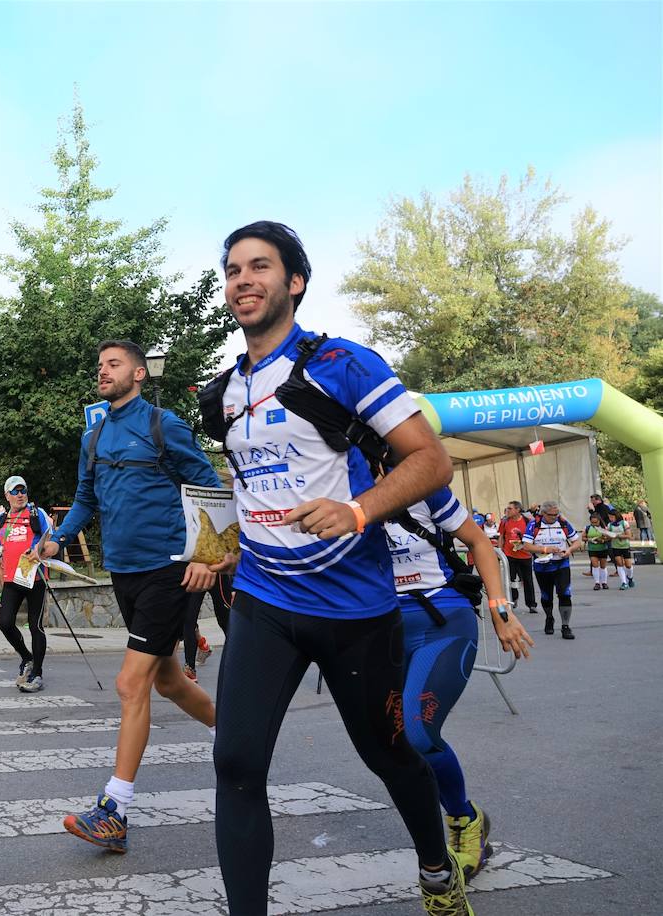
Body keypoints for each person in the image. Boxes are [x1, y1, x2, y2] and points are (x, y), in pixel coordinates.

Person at [197, 221, 472, 914]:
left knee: (389, 754)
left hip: (354, 609)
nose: (243, 281)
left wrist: (357, 510)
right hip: (264, 600)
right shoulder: (221, 393)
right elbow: (246, 487)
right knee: (234, 765)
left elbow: (429, 460)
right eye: (232, 270)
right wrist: (219, 547)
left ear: (294, 281)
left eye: (260, 267)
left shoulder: (343, 363)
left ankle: (438, 867)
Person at [38, 338, 221, 855]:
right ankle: (232, 735)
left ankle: (114, 809)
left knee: (130, 682)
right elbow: (84, 500)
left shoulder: (165, 426)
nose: (103, 371)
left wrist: (208, 556)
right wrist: (55, 537)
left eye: (113, 364)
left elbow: (207, 483)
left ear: (139, 374)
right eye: (100, 365)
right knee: (166, 680)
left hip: (167, 570)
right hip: (123, 571)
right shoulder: (94, 436)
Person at [386, 486, 534, 881]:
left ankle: (464, 821)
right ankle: (459, 821)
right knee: (393, 740)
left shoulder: (421, 485)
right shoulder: (333, 486)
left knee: (419, 733)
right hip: (382, 628)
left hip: (445, 621)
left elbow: (478, 541)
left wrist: (500, 609)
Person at [0, 476, 54, 690]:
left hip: (35, 578)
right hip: (11, 580)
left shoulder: (37, 514)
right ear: (7, 496)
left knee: (36, 626)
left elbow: (51, 541)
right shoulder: (1, 520)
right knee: (5, 623)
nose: (20, 494)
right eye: (15, 491)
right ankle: (27, 657)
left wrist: (40, 550)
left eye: (23, 490)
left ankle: (37, 674)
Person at [522, 499, 581, 639]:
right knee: (546, 595)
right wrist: (545, 549)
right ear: (543, 513)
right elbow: (526, 546)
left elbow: (577, 541)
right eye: (551, 515)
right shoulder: (534, 524)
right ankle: (549, 617)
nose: (555, 517)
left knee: (565, 593)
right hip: (542, 565)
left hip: (561, 564)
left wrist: (569, 549)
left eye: (557, 514)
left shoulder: (563, 523)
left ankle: (565, 626)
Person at [498, 501, 538, 614]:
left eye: (510, 509)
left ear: (517, 510)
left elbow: (533, 536)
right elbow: (501, 536)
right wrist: (500, 552)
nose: (507, 511)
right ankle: (513, 599)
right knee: (510, 579)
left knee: (527, 580)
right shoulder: (504, 521)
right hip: (509, 555)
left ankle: (531, 604)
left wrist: (529, 546)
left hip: (525, 555)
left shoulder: (527, 521)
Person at [606, 507, 636, 589]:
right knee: (619, 564)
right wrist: (607, 535)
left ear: (616, 516)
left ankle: (630, 578)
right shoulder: (609, 525)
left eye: (612, 517)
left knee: (628, 565)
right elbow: (607, 537)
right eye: (609, 517)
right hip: (615, 547)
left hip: (625, 546)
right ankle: (624, 582)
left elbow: (629, 536)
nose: (610, 519)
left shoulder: (624, 523)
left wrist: (619, 536)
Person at [584, 511, 613, 591]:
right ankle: (597, 583)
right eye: (592, 522)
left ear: (599, 521)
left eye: (596, 522)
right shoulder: (588, 528)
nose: (594, 524)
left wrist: (603, 540)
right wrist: (590, 539)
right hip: (592, 549)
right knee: (595, 565)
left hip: (603, 548)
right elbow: (583, 538)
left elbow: (610, 537)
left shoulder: (604, 528)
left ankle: (604, 582)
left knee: (603, 566)